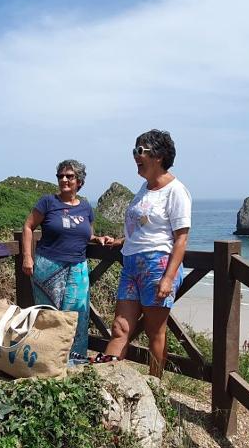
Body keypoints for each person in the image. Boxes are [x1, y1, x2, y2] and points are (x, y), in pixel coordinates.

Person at [94, 130, 191, 378]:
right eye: (134, 151)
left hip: (158, 266)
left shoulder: (176, 190)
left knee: (154, 332)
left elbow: (181, 238)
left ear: (157, 155)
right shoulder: (144, 188)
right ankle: (107, 382)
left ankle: (154, 385)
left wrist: (168, 278)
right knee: (120, 327)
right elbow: (142, 229)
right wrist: (119, 241)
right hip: (131, 264)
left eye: (140, 151)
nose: (135, 156)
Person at [20, 159, 99, 366]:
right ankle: (46, 363)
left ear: (79, 181)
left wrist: (98, 239)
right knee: (49, 318)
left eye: (69, 176)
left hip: (78, 269)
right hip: (48, 267)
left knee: (77, 318)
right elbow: (28, 227)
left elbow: (88, 234)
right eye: (60, 176)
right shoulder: (48, 202)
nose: (64, 179)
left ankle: (74, 363)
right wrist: (27, 256)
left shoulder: (85, 207)